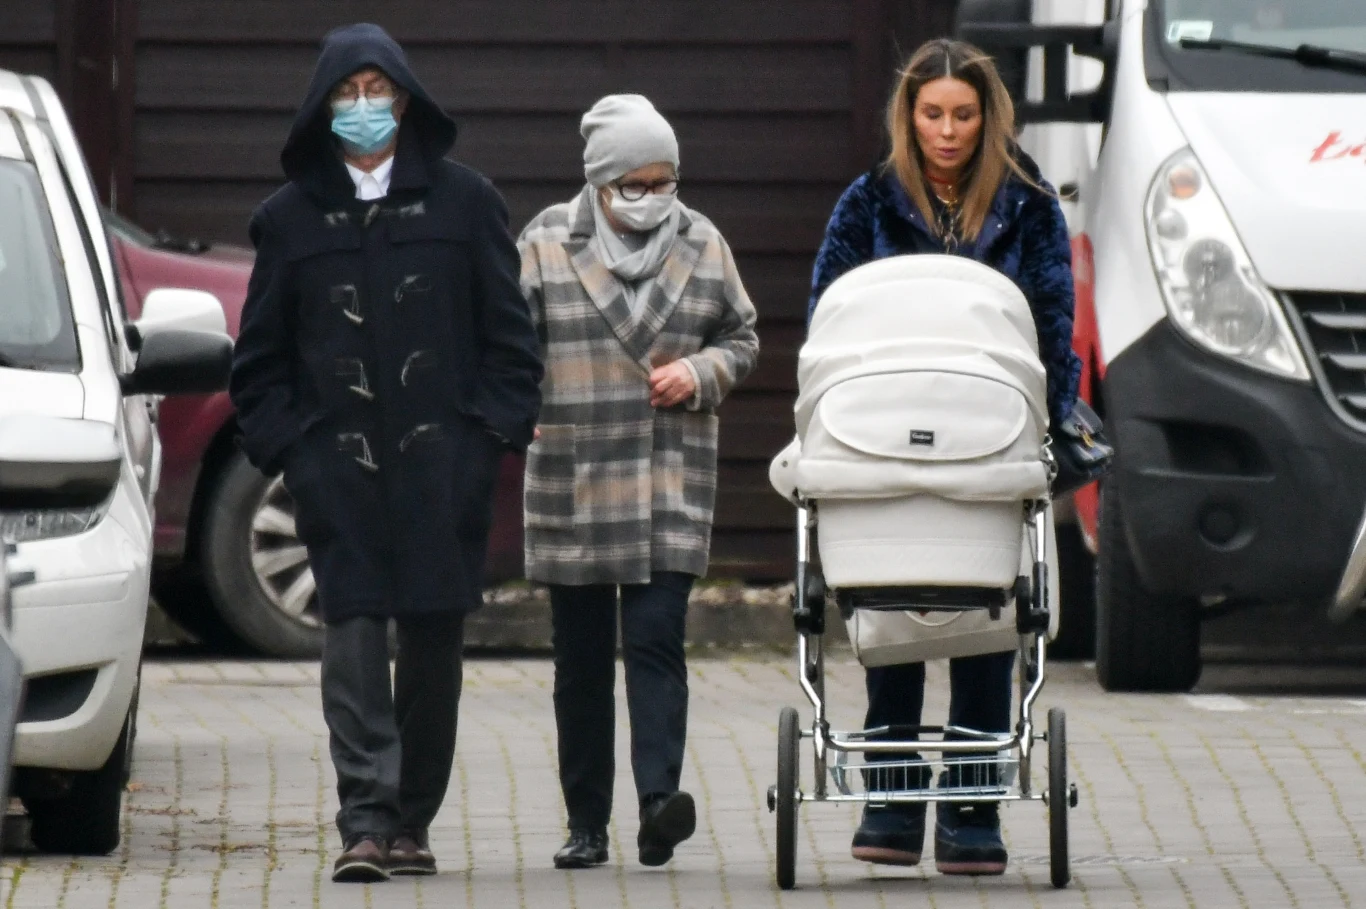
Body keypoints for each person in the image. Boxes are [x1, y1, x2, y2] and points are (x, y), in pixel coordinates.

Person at [228, 23, 542, 884]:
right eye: (347, 91)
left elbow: (512, 346)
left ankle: (411, 822)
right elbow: (258, 364)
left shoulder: (466, 203)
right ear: (323, 106)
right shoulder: (289, 219)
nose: (364, 106)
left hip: (444, 472)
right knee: (355, 638)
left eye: (378, 91)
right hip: (338, 471)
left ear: (405, 102)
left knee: (434, 645)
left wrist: (484, 443)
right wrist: (298, 456)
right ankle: (364, 819)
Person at [807, 39, 1082, 876]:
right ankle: (891, 799)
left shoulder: (1029, 204)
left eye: (964, 114)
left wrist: (1049, 418)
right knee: (892, 607)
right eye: (933, 114)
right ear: (910, 115)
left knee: (985, 615)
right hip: (884, 432)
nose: (949, 131)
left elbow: (1054, 323)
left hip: (988, 433)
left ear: (989, 116)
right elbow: (829, 315)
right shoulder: (868, 201)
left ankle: (971, 803)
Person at [517, 94, 759, 871]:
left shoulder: (704, 242)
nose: (653, 196)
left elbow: (742, 336)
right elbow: (509, 346)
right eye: (637, 183)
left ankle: (659, 805)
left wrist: (700, 371)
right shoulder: (545, 242)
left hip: (667, 475)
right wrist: (519, 413)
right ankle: (586, 821)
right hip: (575, 473)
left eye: (665, 181)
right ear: (601, 180)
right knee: (581, 659)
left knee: (656, 638)